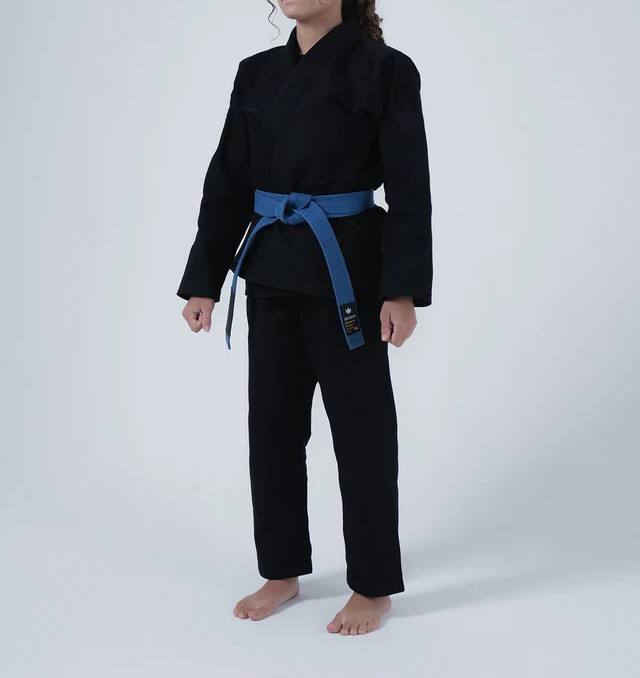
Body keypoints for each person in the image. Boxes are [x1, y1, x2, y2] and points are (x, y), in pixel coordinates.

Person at [177, 0, 432, 636]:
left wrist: (401, 291)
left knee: (362, 433)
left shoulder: (386, 70)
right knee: (271, 428)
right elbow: (227, 178)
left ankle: (372, 585)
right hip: (270, 269)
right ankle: (282, 570)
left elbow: (409, 187)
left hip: (349, 276)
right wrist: (205, 279)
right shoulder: (256, 73)